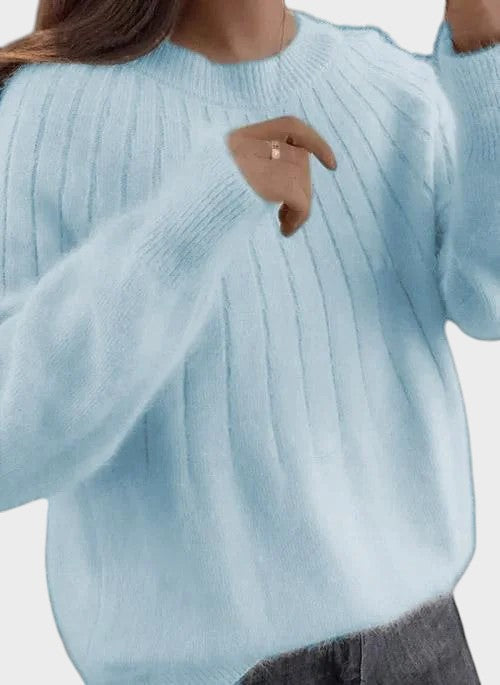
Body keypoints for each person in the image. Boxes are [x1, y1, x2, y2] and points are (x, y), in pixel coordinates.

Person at [0, 0, 497, 682]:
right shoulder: (47, 114)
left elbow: (487, 301)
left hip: (423, 646)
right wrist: (200, 213)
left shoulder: (392, 87)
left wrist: (485, 56)